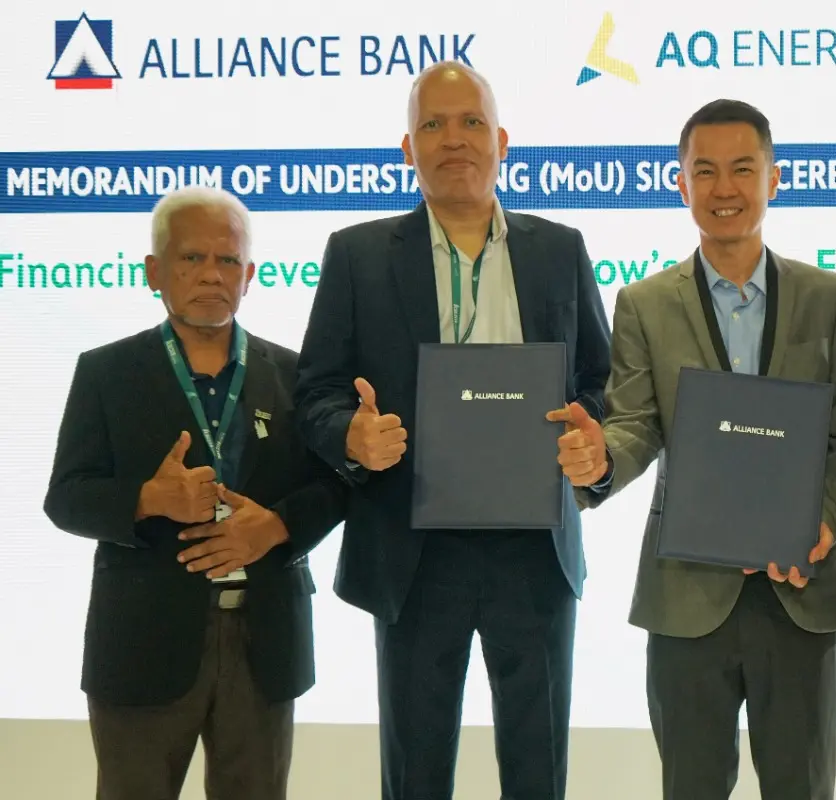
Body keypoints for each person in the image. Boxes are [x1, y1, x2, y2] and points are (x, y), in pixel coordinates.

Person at [293, 61, 611, 800]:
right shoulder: (359, 255)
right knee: (416, 775)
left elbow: (600, 384)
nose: (453, 139)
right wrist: (350, 436)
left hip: (533, 551)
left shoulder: (558, 249)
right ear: (407, 149)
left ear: (502, 141)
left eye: (470, 122)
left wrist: (591, 444)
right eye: (431, 125)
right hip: (413, 552)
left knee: (539, 774)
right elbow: (316, 393)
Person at [551, 99, 836, 800]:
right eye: (706, 171)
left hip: (801, 591)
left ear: (773, 179)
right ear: (681, 184)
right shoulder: (644, 303)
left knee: (803, 787)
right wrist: (602, 459)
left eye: (742, 169)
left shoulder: (829, 296)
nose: (725, 189)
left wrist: (821, 523)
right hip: (688, 598)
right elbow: (635, 422)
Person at [42, 185, 347, 800]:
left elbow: (338, 487)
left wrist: (277, 526)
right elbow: (66, 497)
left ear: (251, 275)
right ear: (154, 271)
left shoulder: (295, 374)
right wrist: (147, 499)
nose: (212, 274)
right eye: (191, 258)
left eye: (228, 260)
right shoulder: (106, 372)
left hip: (264, 643)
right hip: (143, 642)